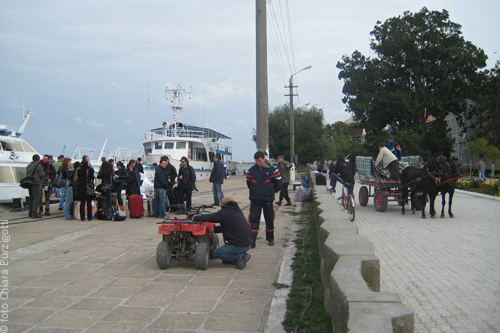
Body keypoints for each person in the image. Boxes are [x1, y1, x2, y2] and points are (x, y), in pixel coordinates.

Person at [192, 197, 253, 269]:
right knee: (225, 258)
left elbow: (210, 217)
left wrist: (195, 218)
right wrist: (215, 229)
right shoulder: (237, 211)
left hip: (239, 245)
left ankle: (240, 257)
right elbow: (230, 226)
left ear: (223, 204)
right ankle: (235, 256)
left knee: (216, 253)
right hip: (248, 243)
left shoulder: (224, 212)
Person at [246, 151, 282, 247]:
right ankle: (252, 241)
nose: (258, 162)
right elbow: (249, 183)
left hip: (268, 199)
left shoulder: (273, 170)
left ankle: (270, 238)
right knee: (253, 219)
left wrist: (270, 191)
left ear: (264, 159)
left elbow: (278, 183)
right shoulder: (251, 171)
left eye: (260, 160)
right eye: (256, 161)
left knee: (269, 219)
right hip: (255, 200)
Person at [26, 154, 46, 218]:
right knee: (36, 199)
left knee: (31, 198)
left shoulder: (29, 165)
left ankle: (30, 212)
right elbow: (42, 175)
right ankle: (34, 213)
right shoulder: (39, 166)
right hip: (36, 183)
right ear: (38, 160)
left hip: (29, 183)